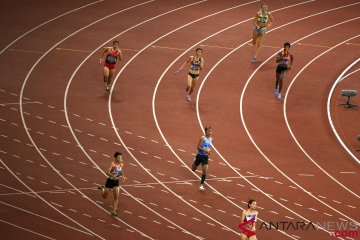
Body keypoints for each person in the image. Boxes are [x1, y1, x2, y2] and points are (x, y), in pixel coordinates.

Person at [98, 151, 126, 217]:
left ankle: (113, 212)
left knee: (116, 197)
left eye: (121, 157)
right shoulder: (112, 164)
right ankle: (102, 188)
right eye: (119, 157)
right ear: (115, 158)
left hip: (116, 182)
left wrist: (123, 176)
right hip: (110, 181)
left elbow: (120, 171)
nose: (120, 158)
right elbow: (107, 172)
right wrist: (113, 176)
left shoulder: (121, 164)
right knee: (104, 197)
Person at [191, 126, 213, 191]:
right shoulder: (202, 138)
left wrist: (209, 152)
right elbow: (198, 147)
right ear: (206, 131)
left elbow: (209, 147)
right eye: (209, 131)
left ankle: (201, 185)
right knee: (193, 169)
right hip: (199, 156)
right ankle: (194, 160)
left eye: (211, 131)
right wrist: (204, 150)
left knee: (205, 171)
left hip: (205, 157)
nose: (210, 132)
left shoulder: (211, 139)